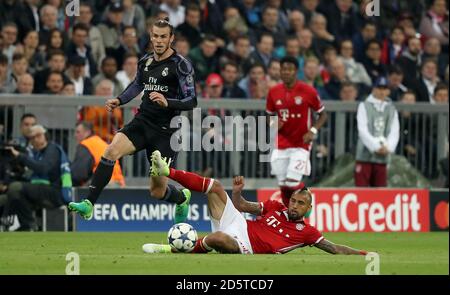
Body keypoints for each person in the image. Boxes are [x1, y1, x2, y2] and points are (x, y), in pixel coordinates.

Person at [68, 18, 197, 223]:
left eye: (164, 36)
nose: (159, 40)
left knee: (157, 191)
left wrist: (168, 102)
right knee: (110, 151)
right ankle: (89, 203)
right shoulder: (145, 61)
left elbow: (192, 100)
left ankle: (182, 197)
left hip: (166, 131)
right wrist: (119, 100)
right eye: (155, 36)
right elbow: (137, 85)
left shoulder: (181, 65)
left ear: (171, 39)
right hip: (143, 122)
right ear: (151, 37)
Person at [143, 150, 368, 255]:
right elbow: (241, 206)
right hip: (239, 224)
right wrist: (238, 193)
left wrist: (362, 254)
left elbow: (335, 248)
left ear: (308, 209)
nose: (294, 205)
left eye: (300, 203)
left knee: (218, 238)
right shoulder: (275, 207)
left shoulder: (307, 232)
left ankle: (170, 249)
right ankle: (167, 170)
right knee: (216, 186)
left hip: (247, 246)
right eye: (294, 200)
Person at [266, 56, 327, 207]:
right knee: (283, 185)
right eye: (283, 69)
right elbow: (268, 115)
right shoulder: (273, 92)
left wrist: (312, 130)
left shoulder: (308, 91)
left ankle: (307, 205)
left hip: (301, 143)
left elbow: (323, 114)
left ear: (296, 71)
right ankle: (290, 218)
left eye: (290, 69)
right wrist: (273, 123)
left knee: (292, 182)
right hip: (280, 143)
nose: (286, 72)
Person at [0, 125, 72, 231]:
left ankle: (28, 225)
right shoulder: (35, 154)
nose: (35, 139)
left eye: (38, 135)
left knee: (15, 188)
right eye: (32, 137)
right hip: (37, 190)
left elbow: (42, 168)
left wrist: (21, 156)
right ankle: (14, 226)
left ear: (46, 136)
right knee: (4, 198)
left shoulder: (53, 149)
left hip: (54, 191)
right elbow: (28, 177)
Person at [355, 77, 400, 187]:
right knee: (362, 191)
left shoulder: (392, 109)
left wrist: (388, 147)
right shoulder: (364, 105)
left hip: (382, 157)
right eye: (379, 88)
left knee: (381, 192)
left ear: (388, 91)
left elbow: (394, 131)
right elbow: (362, 130)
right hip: (364, 156)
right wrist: (375, 146)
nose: (381, 91)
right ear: (373, 89)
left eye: (384, 88)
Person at [71, 121, 125, 187]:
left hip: (104, 185)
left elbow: (79, 174)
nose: (75, 135)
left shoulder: (86, 145)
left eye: (78, 132)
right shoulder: (101, 143)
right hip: (119, 184)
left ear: (87, 132)